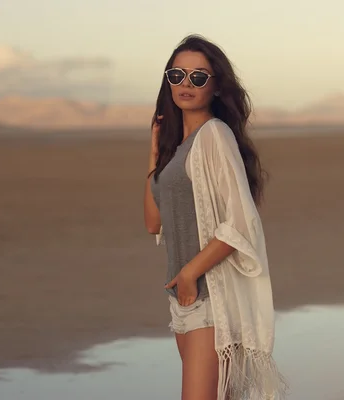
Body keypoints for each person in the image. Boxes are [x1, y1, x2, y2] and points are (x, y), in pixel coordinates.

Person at [143, 34, 286, 400]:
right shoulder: (177, 151)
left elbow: (241, 222)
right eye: (177, 76)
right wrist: (155, 156)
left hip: (210, 298)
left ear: (217, 86)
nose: (186, 84)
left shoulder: (214, 136)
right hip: (183, 301)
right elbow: (152, 223)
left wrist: (190, 273)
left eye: (198, 77)